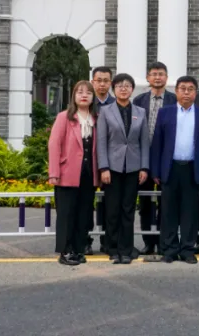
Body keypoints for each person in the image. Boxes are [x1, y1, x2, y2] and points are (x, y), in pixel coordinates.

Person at [149, 75, 199, 265]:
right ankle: (169, 249)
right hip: (170, 168)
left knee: (190, 212)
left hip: (193, 169)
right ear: (176, 91)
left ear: (196, 92)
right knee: (168, 212)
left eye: (190, 89)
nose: (186, 92)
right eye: (183, 88)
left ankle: (187, 249)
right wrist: (156, 171)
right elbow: (157, 144)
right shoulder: (165, 113)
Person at [95, 73, 150, 264]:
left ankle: (126, 249)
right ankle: (112, 248)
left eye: (127, 86)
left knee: (128, 210)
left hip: (133, 168)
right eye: (119, 86)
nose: (123, 89)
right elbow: (101, 143)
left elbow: (144, 142)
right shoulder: (105, 112)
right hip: (112, 168)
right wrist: (103, 167)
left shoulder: (140, 112)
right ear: (114, 89)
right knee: (112, 210)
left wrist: (144, 167)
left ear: (132, 89)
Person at [48, 80, 99, 266]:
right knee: (66, 214)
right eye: (80, 92)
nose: (84, 95)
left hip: (88, 174)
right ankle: (65, 251)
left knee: (84, 214)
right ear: (74, 96)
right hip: (67, 173)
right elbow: (54, 144)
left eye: (88, 93)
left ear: (93, 97)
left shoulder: (96, 118)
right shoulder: (64, 117)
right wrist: (54, 172)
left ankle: (79, 249)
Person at [132, 61, 169, 256]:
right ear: (148, 78)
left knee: (166, 203)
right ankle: (148, 241)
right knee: (145, 203)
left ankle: (164, 241)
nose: (157, 77)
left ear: (166, 78)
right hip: (143, 158)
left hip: (165, 157)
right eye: (154, 74)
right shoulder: (138, 100)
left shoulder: (173, 99)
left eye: (161, 74)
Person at [88, 65, 114, 255]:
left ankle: (108, 240)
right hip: (88, 161)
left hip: (110, 162)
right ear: (92, 82)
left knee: (109, 204)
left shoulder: (116, 104)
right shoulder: (84, 103)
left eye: (106, 80)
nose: (102, 84)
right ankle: (85, 240)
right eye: (99, 80)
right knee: (86, 203)